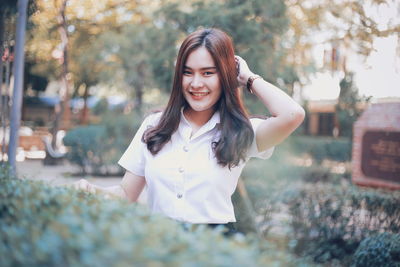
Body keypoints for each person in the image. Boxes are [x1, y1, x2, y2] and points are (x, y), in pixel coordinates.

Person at [74, 28, 305, 235]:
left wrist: (248, 78)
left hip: (215, 248)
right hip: (160, 245)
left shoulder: (242, 131)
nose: (196, 83)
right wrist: (94, 191)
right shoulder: (154, 126)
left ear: (224, 76)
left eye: (207, 73)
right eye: (188, 72)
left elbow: (293, 114)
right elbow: (126, 194)